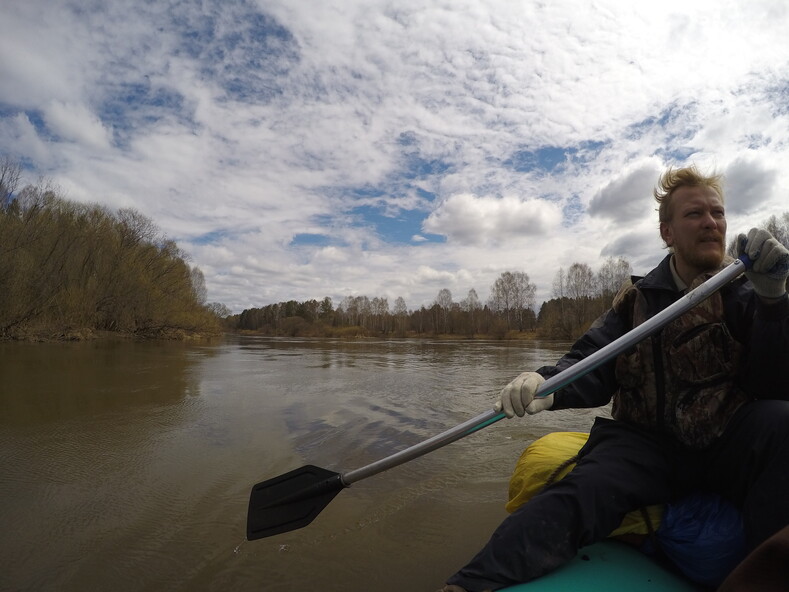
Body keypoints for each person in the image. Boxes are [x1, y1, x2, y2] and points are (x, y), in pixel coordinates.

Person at [437, 165, 789, 592]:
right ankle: (468, 584)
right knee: (581, 492)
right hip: (643, 444)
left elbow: (772, 385)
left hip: (724, 443)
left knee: (782, 421)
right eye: (695, 214)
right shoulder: (636, 300)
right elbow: (591, 362)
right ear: (667, 233)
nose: (711, 222)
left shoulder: (747, 294)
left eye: (717, 213)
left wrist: (774, 303)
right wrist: (545, 386)